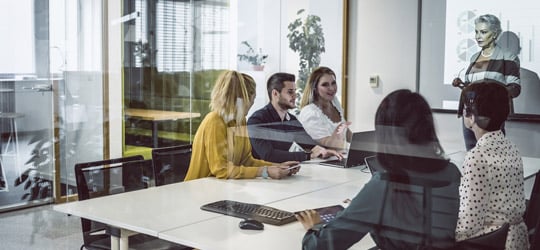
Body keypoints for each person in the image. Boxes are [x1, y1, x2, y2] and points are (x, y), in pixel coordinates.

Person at [296, 89, 461, 249]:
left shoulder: (387, 183)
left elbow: (321, 246)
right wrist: (368, 205)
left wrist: (316, 226)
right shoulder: (451, 172)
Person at [184, 70, 299, 181]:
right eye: (252, 100)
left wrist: (278, 166)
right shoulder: (215, 121)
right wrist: (265, 171)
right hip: (199, 190)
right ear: (242, 99)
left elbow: (246, 160)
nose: (252, 105)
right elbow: (222, 170)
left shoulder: (240, 121)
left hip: (221, 188)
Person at [455, 82, 528, 249]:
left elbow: (469, 222)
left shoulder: (476, 157)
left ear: (472, 116)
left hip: (489, 242)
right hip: (517, 240)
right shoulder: (512, 148)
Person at [452, 14, 521, 151]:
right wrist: (462, 85)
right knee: (471, 154)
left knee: (492, 154)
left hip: (491, 114)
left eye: (483, 32)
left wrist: (491, 94)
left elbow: (515, 88)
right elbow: (474, 89)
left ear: (495, 34)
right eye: (476, 32)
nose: (478, 36)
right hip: (469, 114)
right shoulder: (473, 57)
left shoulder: (508, 57)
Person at [247, 72, 343, 162]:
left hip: (284, 173)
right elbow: (268, 155)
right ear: (275, 94)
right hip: (262, 177)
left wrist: (324, 151)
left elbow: (309, 144)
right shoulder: (257, 120)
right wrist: (308, 155)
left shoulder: (291, 119)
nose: (295, 96)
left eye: (295, 91)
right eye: (290, 92)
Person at [298, 66, 352, 150]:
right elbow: (327, 144)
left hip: (341, 157)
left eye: (333, 83)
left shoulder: (334, 102)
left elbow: (347, 133)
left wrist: (362, 143)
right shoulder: (309, 112)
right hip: (321, 161)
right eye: (325, 85)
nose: (331, 88)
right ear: (315, 88)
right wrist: (354, 147)